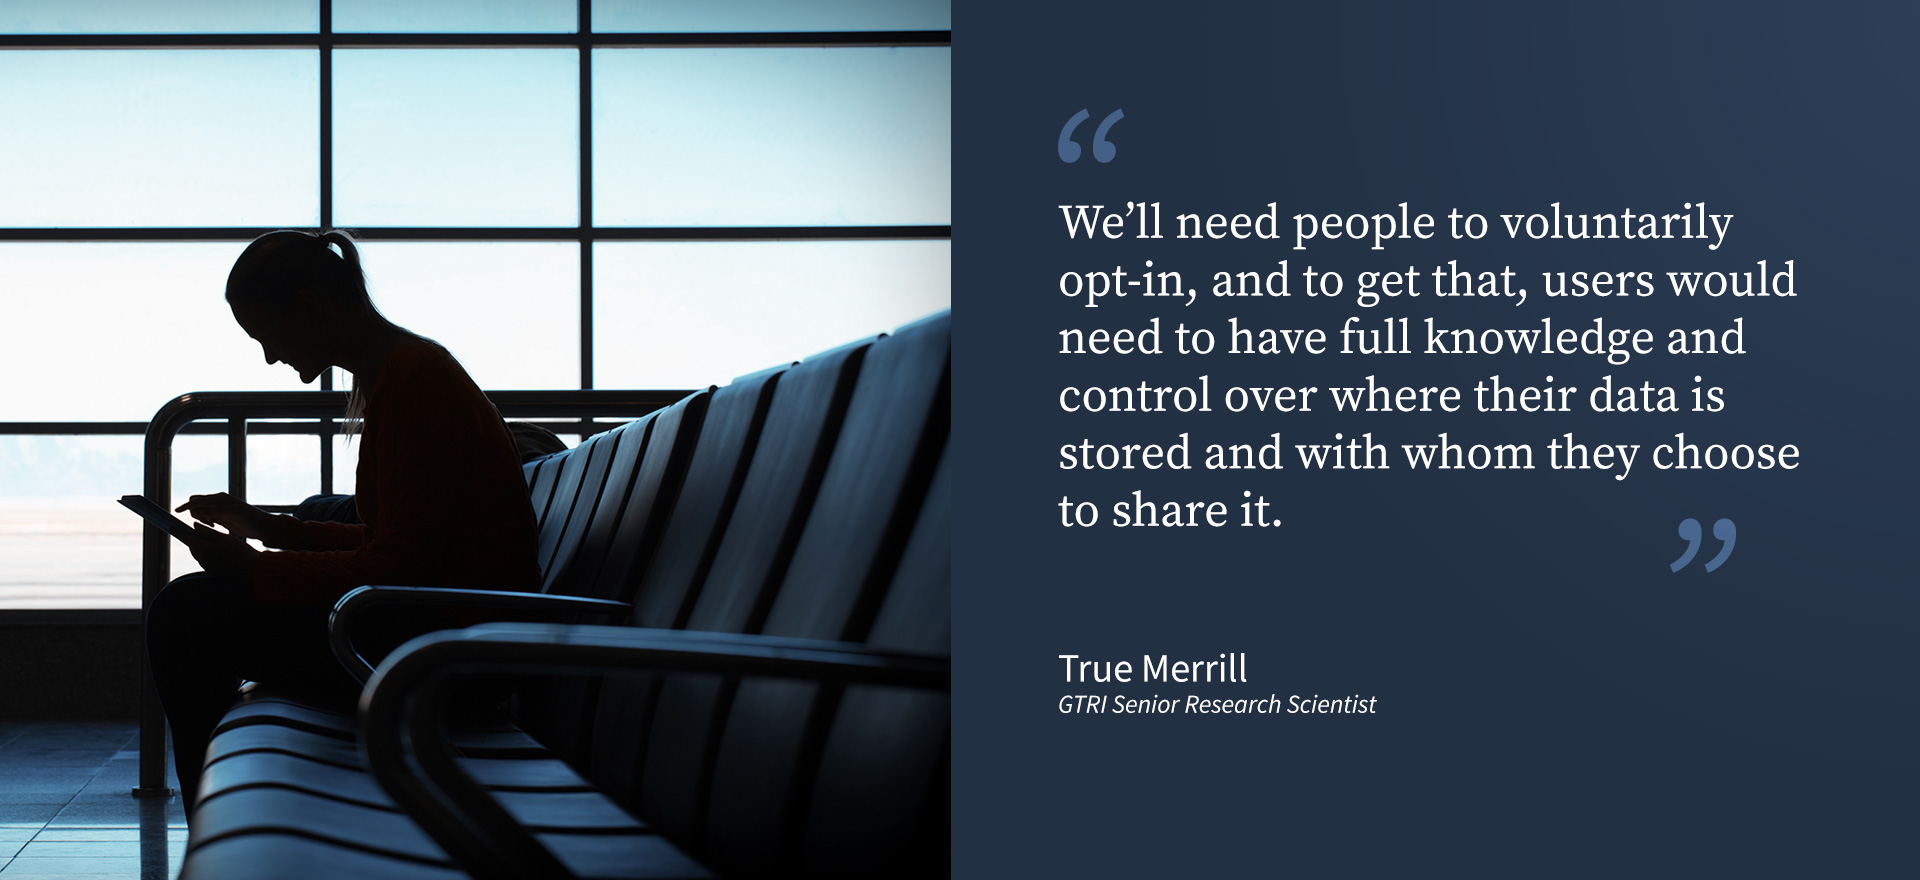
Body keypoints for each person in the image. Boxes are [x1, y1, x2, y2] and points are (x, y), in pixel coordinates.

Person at [145, 229, 541, 809]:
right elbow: (403, 540)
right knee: (194, 609)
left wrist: (257, 572)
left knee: (187, 613)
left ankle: (213, 825)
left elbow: (405, 561)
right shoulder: (402, 374)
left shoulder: (414, 381)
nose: (270, 356)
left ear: (310, 307)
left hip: (447, 652)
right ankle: (218, 819)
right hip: (438, 629)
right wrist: (273, 530)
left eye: (267, 335)